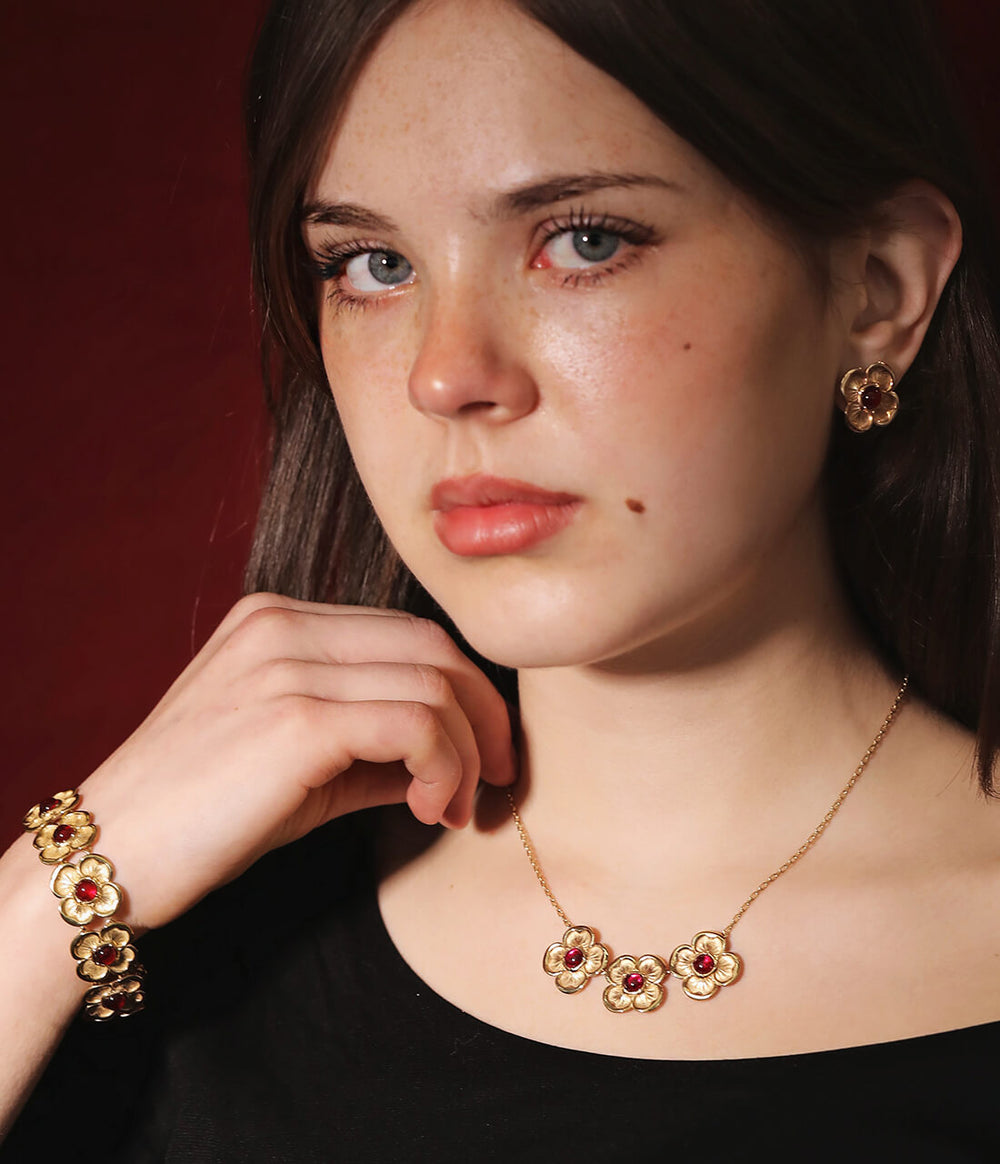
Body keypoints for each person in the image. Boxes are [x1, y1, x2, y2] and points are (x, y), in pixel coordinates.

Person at [3, 0, 1000, 1157]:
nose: (444, 374)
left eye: (582, 240)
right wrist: (57, 886)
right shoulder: (148, 936)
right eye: (372, 266)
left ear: (877, 291)